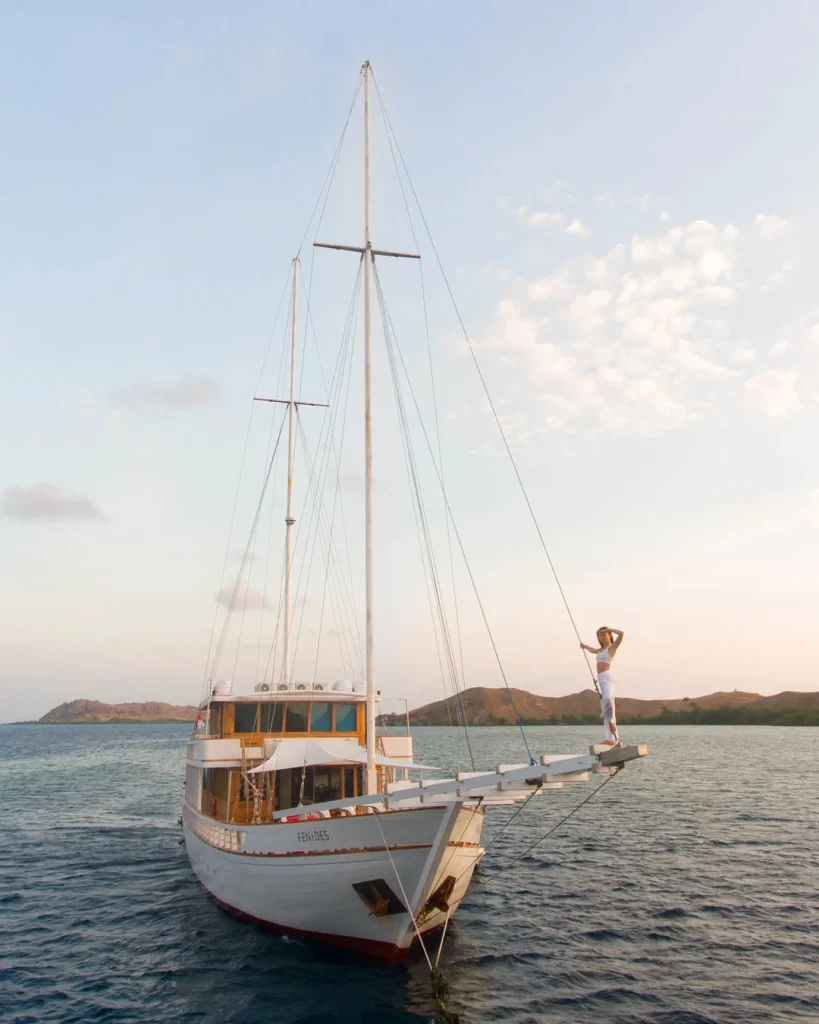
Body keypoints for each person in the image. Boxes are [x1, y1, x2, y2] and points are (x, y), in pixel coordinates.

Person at [580, 627, 624, 746]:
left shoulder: (612, 648)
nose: (601, 637)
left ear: (609, 635)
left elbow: (621, 634)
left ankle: (611, 724)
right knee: (606, 705)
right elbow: (593, 650)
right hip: (601, 680)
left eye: (604, 635)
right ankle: (612, 739)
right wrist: (585, 646)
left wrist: (609, 628)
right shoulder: (601, 650)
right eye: (599, 636)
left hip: (607, 678)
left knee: (608, 700)